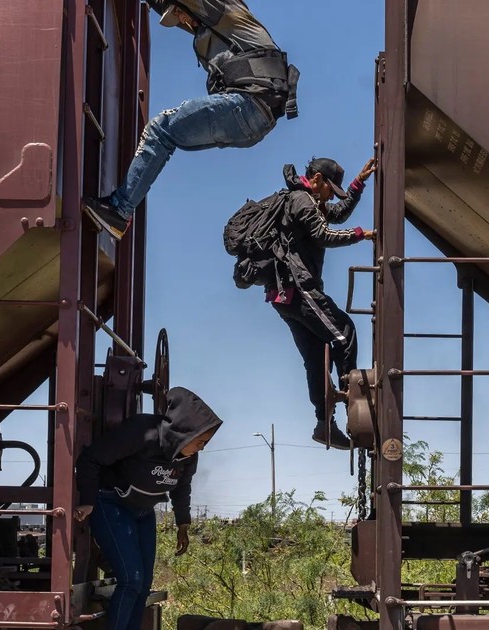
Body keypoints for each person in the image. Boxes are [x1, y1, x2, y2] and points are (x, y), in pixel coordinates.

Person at [82, 0, 298, 240]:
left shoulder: (220, 8)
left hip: (248, 104)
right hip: (253, 118)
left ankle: (119, 210)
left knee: (161, 129)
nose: (182, 20)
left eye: (179, 12)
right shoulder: (205, 24)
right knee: (166, 135)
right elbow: (175, 10)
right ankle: (120, 211)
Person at [74, 387, 222, 630]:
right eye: (200, 441)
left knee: (143, 586)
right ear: (185, 431)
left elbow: (182, 488)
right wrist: (88, 501)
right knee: (131, 580)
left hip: (143, 512)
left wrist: (183, 523)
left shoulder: (188, 457)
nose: (202, 448)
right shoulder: (143, 432)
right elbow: (91, 458)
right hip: (111, 503)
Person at [266, 157, 377, 449]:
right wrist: (360, 235)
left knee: (316, 356)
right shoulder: (301, 201)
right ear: (316, 179)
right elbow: (323, 234)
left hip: (284, 295)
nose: (331, 196)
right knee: (344, 333)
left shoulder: (309, 201)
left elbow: (335, 215)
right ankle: (353, 401)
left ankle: (323, 424)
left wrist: (358, 183)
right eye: (330, 189)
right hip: (299, 288)